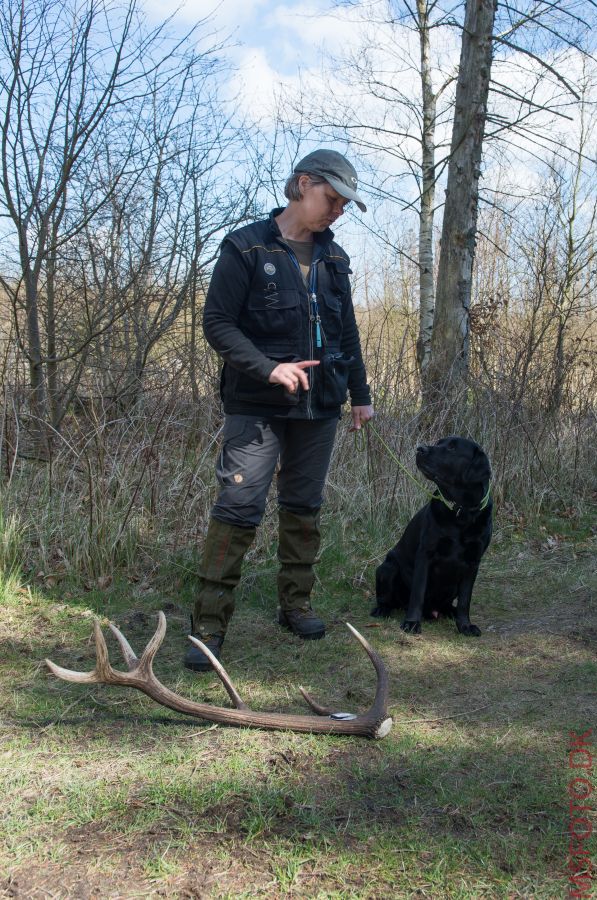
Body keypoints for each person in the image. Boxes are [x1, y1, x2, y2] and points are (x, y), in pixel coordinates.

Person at [184, 149, 374, 672]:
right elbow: (218, 324)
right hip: (257, 405)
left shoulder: (334, 260)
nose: (336, 212)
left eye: (342, 205)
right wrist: (269, 368)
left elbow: (347, 334)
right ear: (303, 184)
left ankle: (296, 605)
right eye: (331, 200)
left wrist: (360, 395)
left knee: (303, 505)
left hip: (321, 407)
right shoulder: (245, 248)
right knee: (238, 508)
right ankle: (208, 625)